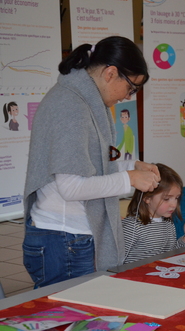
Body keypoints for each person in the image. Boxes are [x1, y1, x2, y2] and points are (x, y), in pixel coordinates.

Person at [23, 36, 161, 289]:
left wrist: (131, 167)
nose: (128, 96)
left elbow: (89, 168)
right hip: (63, 240)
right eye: (132, 88)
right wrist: (128, 179)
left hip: (66, 238)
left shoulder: (83, 100)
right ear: (111, 73)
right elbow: (71, 187)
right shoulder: (71, 105)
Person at [123, 164, 185, 264]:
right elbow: (116, 261)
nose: (173, 204)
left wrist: (183, 242)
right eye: (166, 199)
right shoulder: (132, 227)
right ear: (147, 198)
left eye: (176, 198)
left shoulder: (168, 224)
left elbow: (169, 253)